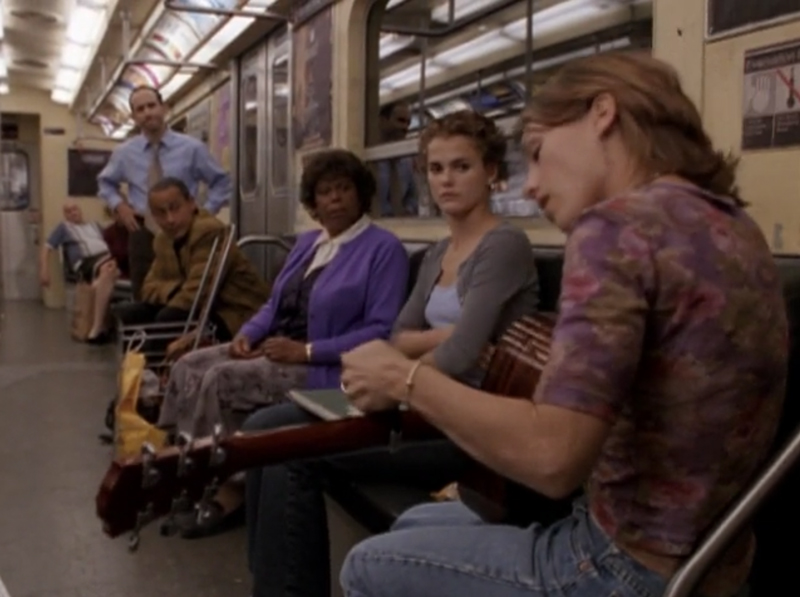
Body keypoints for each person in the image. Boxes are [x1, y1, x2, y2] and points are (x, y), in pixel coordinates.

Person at [338, 51, 789, 597]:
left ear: (602, 113)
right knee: (414, 524)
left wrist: (401, 378)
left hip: (621, 566)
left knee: (366, 565)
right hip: (713, 561)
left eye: (537, 152)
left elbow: (553, 459)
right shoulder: (734, 224)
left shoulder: (614, 227)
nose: (528, 184)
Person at [242, 110, 539, 597]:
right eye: (437, 168)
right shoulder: (440, 250)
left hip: (461, 419)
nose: (447, 180)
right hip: (415, 399)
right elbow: (400, 336)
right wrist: (439, 340)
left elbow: (462, 356)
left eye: (462, 167)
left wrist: (419, 355)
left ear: (491, 171)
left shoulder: (503, 245)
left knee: (288, 452)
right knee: (259, 432)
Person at [161, 149, 410, 539]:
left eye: (344, 189)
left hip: (325, 366)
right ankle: (185, 465)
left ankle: (230, 488)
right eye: (325, 192)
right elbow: (274, 304)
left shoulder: (384, 249)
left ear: (361, 194)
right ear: (313, 203)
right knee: (189, 365)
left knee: (222, 380)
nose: (335, 199)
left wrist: (307, 352)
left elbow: (381, 330)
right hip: (279, 347)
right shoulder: (308, 243)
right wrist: (248, 335)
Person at [97, 85, 232, 300]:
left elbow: (222, 182)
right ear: (134, 117)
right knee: (144, 294)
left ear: (164, 108)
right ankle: (144, 333)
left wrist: (205, 212)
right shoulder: (124, 153)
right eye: (140, 109)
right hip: (142, 230)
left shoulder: (192, 148)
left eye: (151, 106)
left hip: (185, 231)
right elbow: (105, 183)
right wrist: (119, 206)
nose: (147, 112)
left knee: (184, 292)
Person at [114, 177, 269, 350]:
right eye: (161, 213)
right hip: (200, 309)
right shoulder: (163, 240)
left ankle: (146, 365)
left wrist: (172, 290)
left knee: (168, 319)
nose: (170, 219)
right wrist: (177, 289)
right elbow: (148, 288)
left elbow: (198, 293)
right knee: (129, 314)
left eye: (175, 208)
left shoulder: (209, 231)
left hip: (235, 312)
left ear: (192, 204)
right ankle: (142, 365)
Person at [40, 201, 122, 344]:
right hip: (87, 262)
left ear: (80, 210)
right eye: (68, 211)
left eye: (75, 209)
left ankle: (98, 286)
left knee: (112, 267)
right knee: (107, 269)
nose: (73, 213)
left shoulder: (95, 225)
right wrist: (44, 270)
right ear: (65, 215)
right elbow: (46, 247)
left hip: (107, 257)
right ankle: (97, 327)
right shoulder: (64, 227)